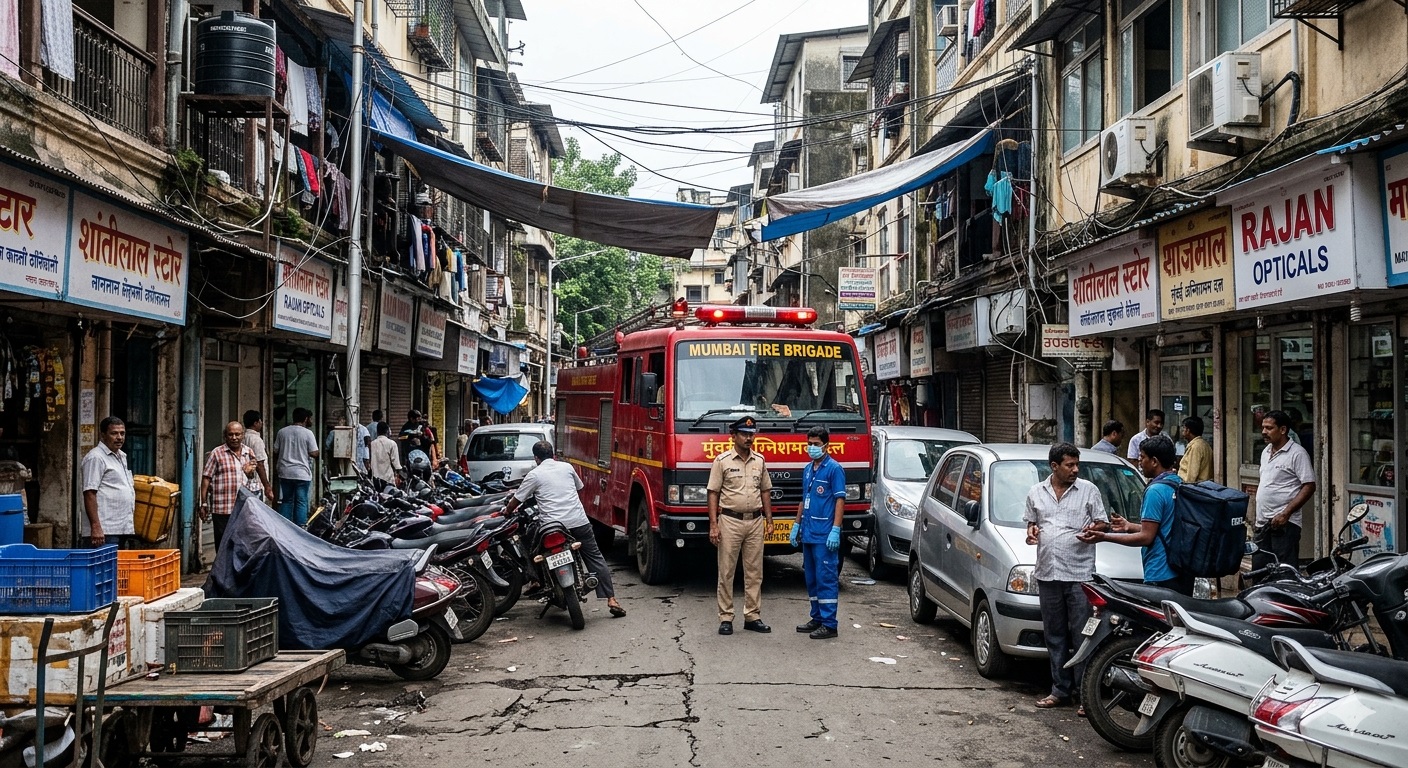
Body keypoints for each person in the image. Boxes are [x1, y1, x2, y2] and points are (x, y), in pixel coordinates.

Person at [1023, 442, 1109, 712]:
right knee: (1055, 635)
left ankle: (1085, 696)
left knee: (1082, 635)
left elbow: (1102, 522)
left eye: (1076, 464)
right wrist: (1032, 532)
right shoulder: (1036, 492)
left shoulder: (1088, 490)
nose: (1075, 469)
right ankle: (1060, 690)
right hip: (1048, 573)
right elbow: (1031, 524)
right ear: (1054, 467)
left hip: (1079, 574)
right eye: (1069, 465)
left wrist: (1094, 529)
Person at [502, 441, 625, 617]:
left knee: (531, 548)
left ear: (536, 458)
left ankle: (536, 581)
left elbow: (516, 500)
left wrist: (507, 511)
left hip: (552, 527)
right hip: (578, 522)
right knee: (595, 557)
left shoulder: (534, 475)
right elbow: (579, 487)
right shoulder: (567, 467)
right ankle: (611, 599)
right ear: (553, 455)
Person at [1079, 434, 1193, 595]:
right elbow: (1162, 528)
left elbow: (1147, 537)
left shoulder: (1155, 490)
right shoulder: (1179, 484)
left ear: (1154, 461)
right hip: (1181, 570)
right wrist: (1129, 526)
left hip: (1161, 572)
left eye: (1142, 457)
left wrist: (1104, 537)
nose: (1140, 462)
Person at [707, 416, 774, 636]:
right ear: (733, 436)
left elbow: (765, 491)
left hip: (754, 521)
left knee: (755, 572)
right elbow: (713, 493)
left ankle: (752, 616)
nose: (749, 438)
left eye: (751, 434)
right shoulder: (722, 461)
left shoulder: (760, 461)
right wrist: (714, 525)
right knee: (726, 571)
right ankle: (726, 617)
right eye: (744, 434)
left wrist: (769, 520)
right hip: (730, 521)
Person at [792, 425, 846, 639]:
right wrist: (796, 525)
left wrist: (835, 529)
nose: (811, 448)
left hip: (825, 535)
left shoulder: (834, 469)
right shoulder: (807, 470)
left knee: (826, 578)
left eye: (815, 444)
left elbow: (840, 500)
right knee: (811, 578)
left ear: (826, 445)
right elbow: (804, 499)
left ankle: (830, 624)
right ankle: (817, 617)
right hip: (809, 533)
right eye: (809, 444)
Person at [1252, 410, 1315, 574]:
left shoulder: (1297, 453)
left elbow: (1309, 485)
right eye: (1263, 427)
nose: (1264, 432)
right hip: (1262, 523)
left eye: (1269, 428)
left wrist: (1286, 513)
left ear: (1283, 430)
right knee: (1260, 571)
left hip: (1285, 524)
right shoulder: (1266, 452)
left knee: (1285, 572)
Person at [200, 421, 260, 553]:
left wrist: (249, 472)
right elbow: (206, 478)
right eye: (230, 434)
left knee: (242, 543)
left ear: (243, 435)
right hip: (222, 509)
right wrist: (203, 504)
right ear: (225, 436)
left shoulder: (248, 452)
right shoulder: (217, 453)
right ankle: (222, 572)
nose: (234, 438)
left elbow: (252, 480)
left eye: (237, 434)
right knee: (223, 545)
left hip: (243, 508)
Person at [79, 416, 137, 548]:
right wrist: (96, 526)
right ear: (103, 435)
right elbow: (89, 493)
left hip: (121, 528)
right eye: (114, 433)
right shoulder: (96, 458)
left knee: (116, 568)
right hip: (104, 531)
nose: (119, 437)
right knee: (102, 568)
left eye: (122, 433)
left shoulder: (121, 456)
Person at [272, 407, 320, 526]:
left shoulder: (282, 432)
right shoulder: (308, 433)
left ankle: (284, 526)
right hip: (302, 474)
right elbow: (315, 453)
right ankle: (300, 528)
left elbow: (275, 450)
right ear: (305, 419)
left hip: (285, 472)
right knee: (301, 502)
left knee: (286, 500)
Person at [241, 410, 275, 501]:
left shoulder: (242, 437)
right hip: (256, 482)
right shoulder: (257, 440)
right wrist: (267, 486)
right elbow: (260, 464)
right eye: (260, 421)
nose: (262, 423)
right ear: (255, 423)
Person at [1178, 416, 1213, 484]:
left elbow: (1192, 475)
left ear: (1188, 430)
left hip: (1195, 487)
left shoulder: (1195, 447)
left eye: (1183, 427)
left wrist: (1186, 488)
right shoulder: (1204, 444)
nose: (1182, 430)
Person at [368, 421, 402, 489]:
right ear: (387, 431)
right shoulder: (392, 444)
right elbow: (396, 465)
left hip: (375, 481)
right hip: (388, 481)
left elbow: (369, 461)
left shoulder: (372, 444)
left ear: (377, 432)